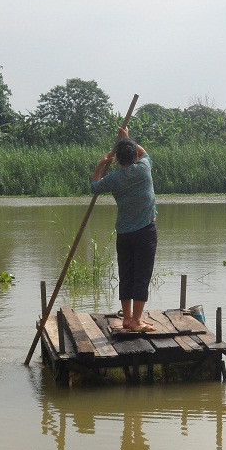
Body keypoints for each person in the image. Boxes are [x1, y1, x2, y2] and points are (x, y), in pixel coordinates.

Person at [91, 127, 157, 332]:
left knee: (126, 274)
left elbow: (94, 187)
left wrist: (100, 165)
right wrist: (126, 138)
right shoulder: (143, 168)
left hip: (124, 234)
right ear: (134, 155)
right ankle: (136, 321)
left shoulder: (114, 178)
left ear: (118, 159)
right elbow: (143, 152)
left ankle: (127, 318)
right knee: (142, 276)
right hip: (145, 231)